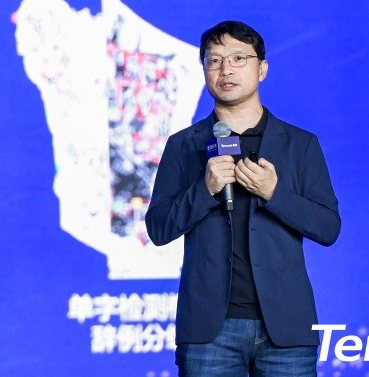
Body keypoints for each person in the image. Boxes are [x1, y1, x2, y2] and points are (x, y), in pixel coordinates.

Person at [145, 20, 340, 376]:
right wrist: (204, 190)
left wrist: (274, 194)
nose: (226, 69)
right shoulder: (183, 145)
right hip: (209, 331)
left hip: (286, 328)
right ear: (204, 71)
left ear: (261, 69)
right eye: (214, 60)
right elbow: (158, 228)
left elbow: (328, 228)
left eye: (238, 58)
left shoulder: (299, 144)